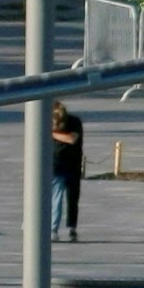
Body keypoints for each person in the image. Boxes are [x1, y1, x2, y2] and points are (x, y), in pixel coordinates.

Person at [49, 103, 85, 242]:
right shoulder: (47, 121)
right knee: (55, 198)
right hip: (56, 164)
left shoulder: (74, 122)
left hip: (73, 164)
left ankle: (72, 228)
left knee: (73, 198)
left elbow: (72, 138)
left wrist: (51, 132)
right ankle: (53, 229)